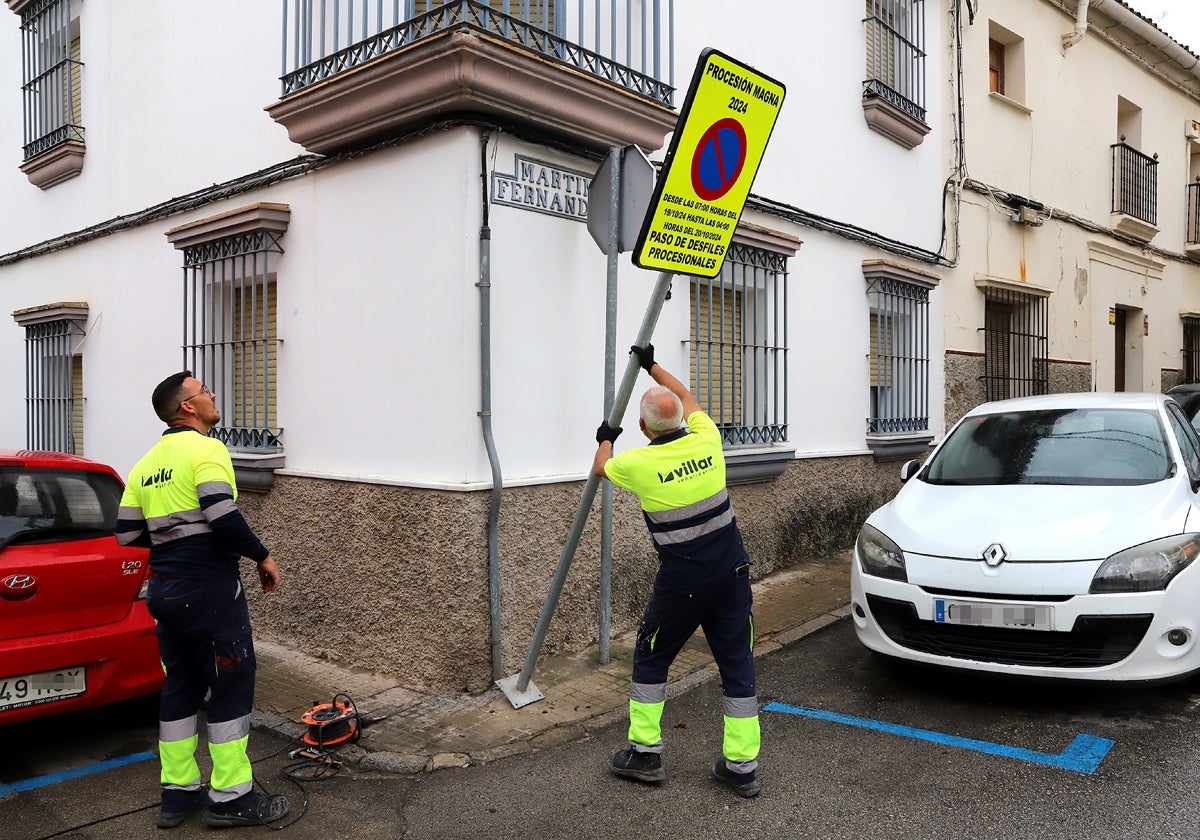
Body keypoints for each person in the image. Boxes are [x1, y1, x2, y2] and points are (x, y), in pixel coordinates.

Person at [115, 371, 289, 829]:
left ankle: (178, 793)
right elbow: (220, 512)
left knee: (180, 687)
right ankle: (231, 798)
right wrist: (263, 555)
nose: (213, 396)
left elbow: (128, 533)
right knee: (231, 682)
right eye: (206, 392)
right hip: (210, 589)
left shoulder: (145, 464)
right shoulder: (207, 449)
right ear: (187, 407)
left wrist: (171, 538)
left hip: (166, 591)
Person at [593, 344, 761, 798]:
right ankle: (742, 768)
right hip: (732, 578)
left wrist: (607, 435)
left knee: (652, 658)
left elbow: (601, 466)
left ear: (644, 428)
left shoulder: (638, 463)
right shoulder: (708, 439)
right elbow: (687, 398)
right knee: (738, 667)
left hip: (682, 588)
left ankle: (645, 754)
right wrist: (654, 366)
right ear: (682, 423)